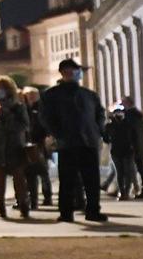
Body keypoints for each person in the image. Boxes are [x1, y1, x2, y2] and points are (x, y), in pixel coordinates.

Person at [38, 57, 107, 224]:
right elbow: (46, 117)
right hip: (67, 143)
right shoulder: (52, 94)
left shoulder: (89, 95)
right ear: (63, 73)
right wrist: (58, 133)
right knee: (67, 180)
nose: (73, 74)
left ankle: (92, 210)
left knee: (91, 179)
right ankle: (66, 212)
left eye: (75, 71)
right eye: (70, 71)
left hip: (88, 141)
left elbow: (99, 114)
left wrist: (97, 131)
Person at [0, 75, 34, 218]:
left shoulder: (18, 106)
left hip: (14, 146)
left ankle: (23, 203)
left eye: (1, 88)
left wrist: (8, 114)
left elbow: (24, 125)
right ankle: (1, 204)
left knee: (18, 177)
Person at [21, 86, 53, 207]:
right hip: (28, 144)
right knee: (30, 173)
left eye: (32, 95)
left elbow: (43, 125)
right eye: (28, 95)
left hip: (39, 143)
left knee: (42, 171)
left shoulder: (40, 108)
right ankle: (33, 200)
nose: (30, 97)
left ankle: (47, 196)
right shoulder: (25, 108)